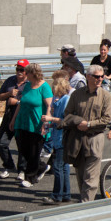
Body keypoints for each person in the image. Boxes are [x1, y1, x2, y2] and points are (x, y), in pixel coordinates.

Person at [61, 64, 111, 202]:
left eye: (102, 76)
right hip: (78, 139)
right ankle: (84, 202)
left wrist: (89, 124)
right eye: (97, 76)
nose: (100, 79)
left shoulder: (106, 96)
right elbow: (67, 114)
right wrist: (78, 121)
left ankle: (86, 205)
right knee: (81, 174)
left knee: (91, 176)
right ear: (88, 77)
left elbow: (106, 119)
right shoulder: (77, 94)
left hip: (95, 138)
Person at [9, 62, 52, 188]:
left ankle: (30, 177)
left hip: (36, 123)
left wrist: (46, 122)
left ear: (33, 73)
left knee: (34, 152)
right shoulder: (27, 86)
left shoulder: (44, 87)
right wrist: (13, 120)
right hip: (23, 122)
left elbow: (49, 106)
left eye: (26, 72)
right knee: (23, 150)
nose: (24, 74)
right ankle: (42, 166)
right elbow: (21, 103)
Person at [41, 73, 72, 204]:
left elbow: (65, 120)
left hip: (63, 138)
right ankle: (66, 193)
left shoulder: (65, 100)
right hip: (58, 136)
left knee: (58, 167)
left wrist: (51, 119)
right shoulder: (57, 99)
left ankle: (57, 195)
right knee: (64, 167)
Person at [0, 59, 30, 179]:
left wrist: (16, 102)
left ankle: (22, 170)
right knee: (1, 143)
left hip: (22, 117)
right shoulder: (10, 80)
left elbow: (31, 101)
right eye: (18, 69)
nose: (19, 72)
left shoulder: (30, 84)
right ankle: (9, 165)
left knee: (21, 145)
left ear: (27, 71)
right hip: (8, 116)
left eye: (22, 70)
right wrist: (8, 94)